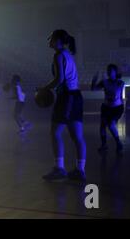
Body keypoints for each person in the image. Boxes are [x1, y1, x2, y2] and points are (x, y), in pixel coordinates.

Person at [39, 29, 86, 182]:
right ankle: (80, 170)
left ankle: (59, 168)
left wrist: (44, 88)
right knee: (77, 137)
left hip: (67, 97)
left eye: (51, 38)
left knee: (55, 133)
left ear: (58, 40)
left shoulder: (58, 55)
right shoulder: (68, 55)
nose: (49, 41)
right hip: (76, 96)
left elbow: (59, 79)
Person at [91, 64, 125, 154]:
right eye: (108, 70)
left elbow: (116, 95)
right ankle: (104, 145)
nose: (109, 72)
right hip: (106, 107)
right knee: (102, 126)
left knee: (110, 125)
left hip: (117, 108)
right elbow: (93, 89)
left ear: (115, 72)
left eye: (111, 71)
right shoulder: (104, 82)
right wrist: (94, 80)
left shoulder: (120, 82)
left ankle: (118, 143)